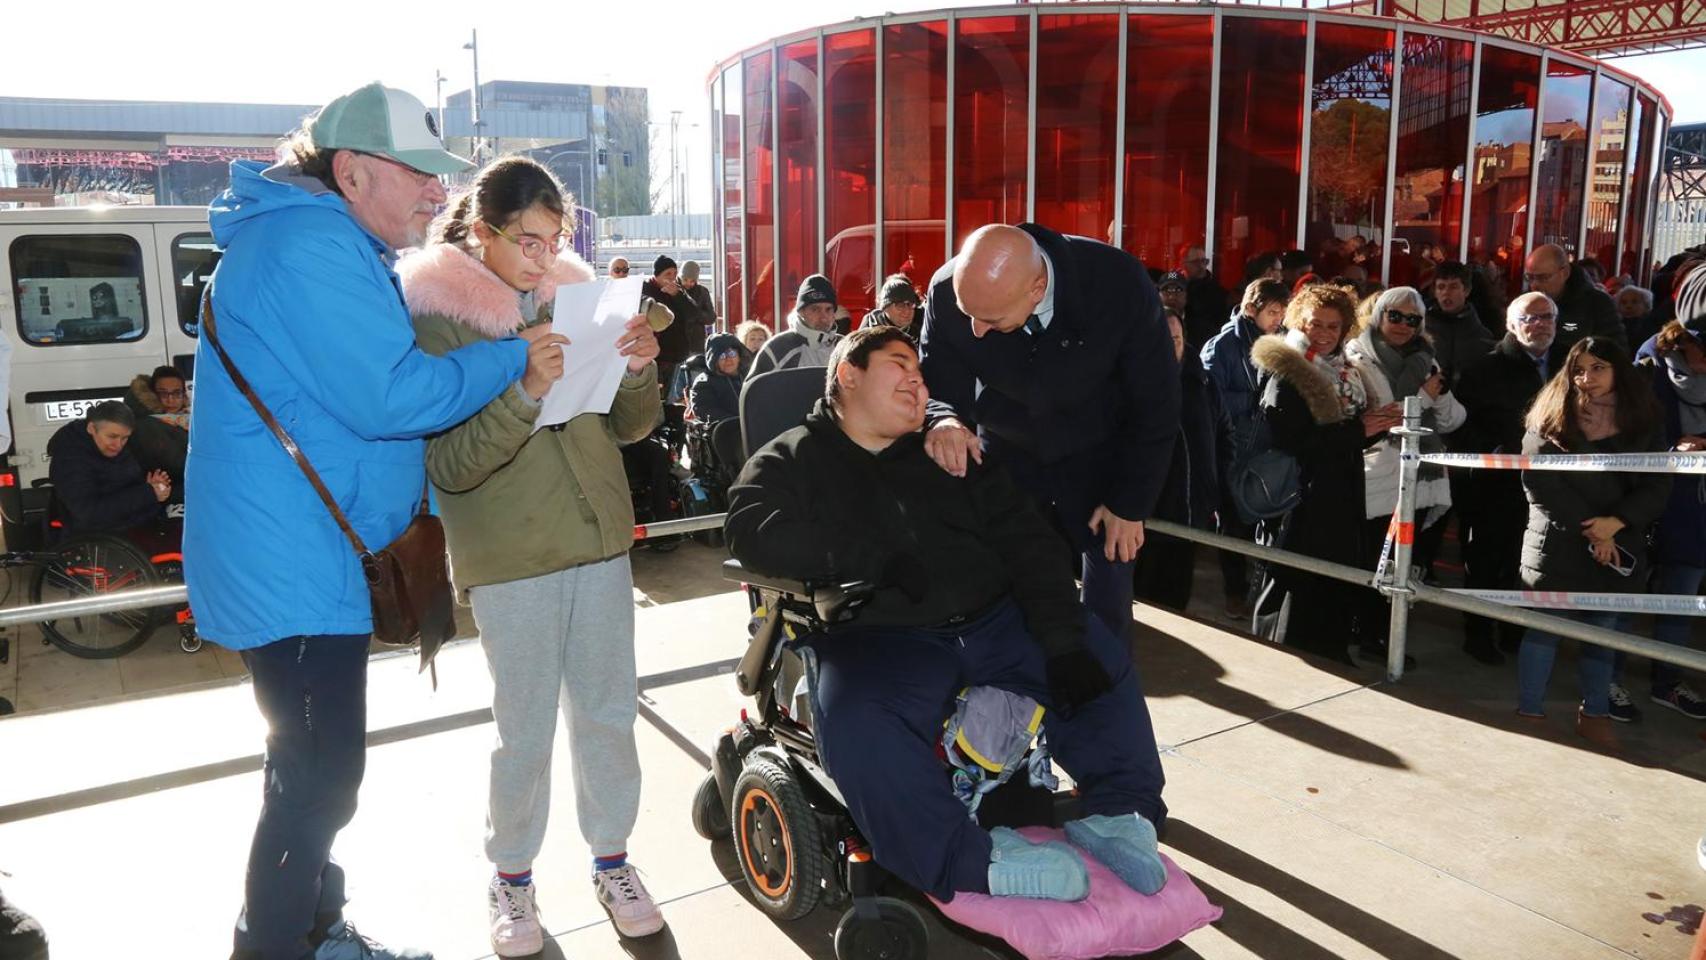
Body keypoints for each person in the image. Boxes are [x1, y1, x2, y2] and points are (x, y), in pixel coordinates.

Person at [187, 82, 552, 960]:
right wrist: (512, 358)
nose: (438, 194)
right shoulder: (309, 243)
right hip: (295, 566)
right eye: (420, 173)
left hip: (303, 556)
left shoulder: (317, 237)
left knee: (308, 770)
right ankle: (274, 946)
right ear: (351, 172)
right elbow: (392, 396)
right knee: (318, 779)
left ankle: (314, 928)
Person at [725, 326, 1169, 905]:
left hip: (996, 620)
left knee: (1097, 658)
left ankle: (1120, 816)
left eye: (921, 371)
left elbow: (1028, 541)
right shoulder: (790, 459)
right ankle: (969, 861)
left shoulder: (949, 452)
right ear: (848, 374)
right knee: (857, 723)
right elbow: (749, 531)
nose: (917, 378)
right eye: (898, 364)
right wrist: (869, 558)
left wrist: (1061, 639)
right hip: (880, 637)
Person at [396, 155, 663, 956]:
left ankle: (613, 859)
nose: (546, 257)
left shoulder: (573, 299)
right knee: (524, 730)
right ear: (482, 232)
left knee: (610, 712)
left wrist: (641, 368)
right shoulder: (435, 316)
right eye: (530, 240)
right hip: (509, 554)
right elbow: (446, 466)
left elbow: (628, 427)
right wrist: (524, 392)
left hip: (598, 540)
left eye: (557, 240)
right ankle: (511, 878)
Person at [919, 223, 1180, 642]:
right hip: (1008, 452)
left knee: (1107, 606)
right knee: (1008, 594)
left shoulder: (1117, 282)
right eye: (970, 315)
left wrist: (1130, 505)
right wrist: (944, 419)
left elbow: (1157, 403)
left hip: (1104, 455)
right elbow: (937, 383)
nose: (977, 332)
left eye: (991, 319)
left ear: (1037, 289)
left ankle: (1105, 695)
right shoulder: (949, 290)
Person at [1515, 337, 1667, 742]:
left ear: (1619, 370)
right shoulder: (1550, 414)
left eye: (1598, 367)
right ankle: (1529, 713)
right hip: (1559, 544)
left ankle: (1595, 713)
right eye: (1579, 369)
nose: (1587, 378)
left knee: (1604, 634)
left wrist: (1616, 523)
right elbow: (1540, 482)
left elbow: (1658, 485)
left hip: (1619, 542)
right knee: (1543, 632)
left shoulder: (1645, 420)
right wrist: (1593, 529)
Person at [1250, 284, 1402, 663]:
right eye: (1315, 324)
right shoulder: (1288, 370)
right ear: (1298, 321)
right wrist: (1359, 430)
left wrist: (1378, 425)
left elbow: (1340, 437)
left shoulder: (1344, 371)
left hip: (1339, 495)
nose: (1324, 333)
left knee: (1333, 580)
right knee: (1298, 583)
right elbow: (1293, 440)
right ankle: (1294, 656)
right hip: (1301, 499)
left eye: (1333, 327)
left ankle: (1328, 650)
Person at [1344, 287, 1466, 660]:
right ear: (1378, 314)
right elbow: (1381, 417)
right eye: (1394, 315)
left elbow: (1454, 418)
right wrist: (1425, 396)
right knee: (1374, 564)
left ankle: (1382, 636)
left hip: (1420, 482)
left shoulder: (1425, 360)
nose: (1402, 325)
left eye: (1412, 319)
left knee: (1405, 567)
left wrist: (1439, 393)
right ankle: (1372, 638)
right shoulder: (1358, 357)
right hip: (1377, 477)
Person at [1451, 293, 1559, 665]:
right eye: (1530, 318)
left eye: (1546, 317)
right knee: (1486, 562)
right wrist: (1495, 452)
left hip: (1546, 487)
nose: (1539, 324)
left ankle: (1515, 631)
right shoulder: (1483, 368)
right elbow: (1461, 426)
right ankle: (1477, 634)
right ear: (1512, 325)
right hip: (1492, 486)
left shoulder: (1567, 366)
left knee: (1526, 562)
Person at [1201, 278, 1289, 620]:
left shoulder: (1281, 341)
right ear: (1252, 308)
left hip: (1269, 448)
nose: (1278, 319)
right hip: (1234, 447)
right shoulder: (1223, 346)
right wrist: (1255, 400)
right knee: (1234, 523)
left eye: (1281, 312)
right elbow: (1211, 396)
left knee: (1270, 521)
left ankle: (1264, 587)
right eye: (1272, 312)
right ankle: (1234, 591)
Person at [1633, 309, 1706, 721]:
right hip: (1653, 496)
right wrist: (1671, 450)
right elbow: (1629, 427)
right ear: (1689, 341)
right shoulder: (1650, 361)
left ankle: (1668, 681)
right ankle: (1607, 680)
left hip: (1698, 505)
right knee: (1627, 593)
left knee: (1683, 591)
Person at [1134, 310, 1221, 612]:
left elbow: (1222, 437)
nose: (1170, 347)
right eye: (1162, 339)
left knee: (1175, 598)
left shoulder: (1202, 382)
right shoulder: (1132, 384)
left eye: (1176, 339)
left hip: (1190, 510)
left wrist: (1213, 494)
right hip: (1145, 513)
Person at [47, 401, 169, 534]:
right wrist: (148, 494)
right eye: (112, 437)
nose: (118, 445)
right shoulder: (69, 460)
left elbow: (125, 485)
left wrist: (152, 486)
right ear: (91, 429)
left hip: (136, 523)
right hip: (102, 538)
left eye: (125, 438)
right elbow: (91, 514)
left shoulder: (113, 446)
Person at [1524, 244, 1624, 367]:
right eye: (1530, 277)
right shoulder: (1525, 305)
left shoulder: (1597, 304)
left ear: (1564, 273)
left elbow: (1617, 354)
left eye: (1543, 277)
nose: (1534, 285)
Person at [121, 365, 191, 501]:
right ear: (152, 395)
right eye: (164, 394)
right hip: (170, 495)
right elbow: (177, 465)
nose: (171, 400)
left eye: (177, 393)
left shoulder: (185, 418)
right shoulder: (146, 425)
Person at [749, 274, 842, 377]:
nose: (823, 317)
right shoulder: (778, 348)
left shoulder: (844, 347)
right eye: (815, 309)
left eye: (828, 309)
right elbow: (753, 391)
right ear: (801, 311)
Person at [1424, 261, 1495, 390]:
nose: (1446, 292)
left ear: (1466, 290)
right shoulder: (1421, 330)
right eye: (1441, 287)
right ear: (1435, 292)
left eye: (1453, 287)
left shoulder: (1483, 336)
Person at [643, 255, 706, 394]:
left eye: (674, 273)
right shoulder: (646, 289)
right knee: (656, 395)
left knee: (672, 397)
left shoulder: (677, 289)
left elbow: (694, 314)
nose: (672, 277)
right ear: (657, 275)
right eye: (668, 274)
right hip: (657, 356)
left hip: (677, 355)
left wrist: (677, 295)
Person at [1179, 244, 1228, 350]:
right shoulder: (1176, 288)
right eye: (1196, 262)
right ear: (1183, 264)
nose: (1201, 266)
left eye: (1204, 261)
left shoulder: (1217, 292)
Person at [688, 333, 744, 425]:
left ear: (739, 356)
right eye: (722, 356)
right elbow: (704, 410)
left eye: (732, 353)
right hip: (728, 431)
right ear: (713, 359)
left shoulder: (749, 376)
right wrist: (738, 421)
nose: (728, 359)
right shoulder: (704, 382)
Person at [859, 273, 923, 341]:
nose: (907, 311)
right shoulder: (870, 327)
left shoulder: (919, 328)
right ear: (885, 307)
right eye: (900, 305)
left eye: (910, 304)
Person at [679, 259, 718, 334]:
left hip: (696, 339)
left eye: (692, 281)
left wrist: (696, 313)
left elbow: (711, 317)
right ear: (680, 278)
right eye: (685, 280)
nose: (688, 283)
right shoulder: (674, 290)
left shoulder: (702, 292)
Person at [1616, 284, 1657, 349]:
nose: (1628, 306)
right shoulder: (1617, 323)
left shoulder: (1648, 324)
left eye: (1634, 302)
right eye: (1623, 302)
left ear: (1646, 305)